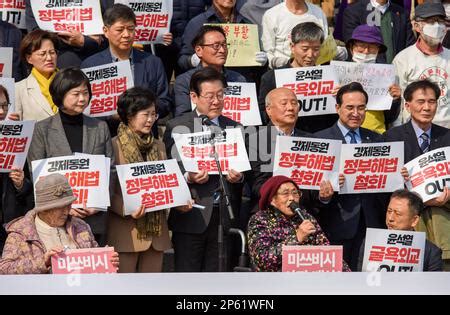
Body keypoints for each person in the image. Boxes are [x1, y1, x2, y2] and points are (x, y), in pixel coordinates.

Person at [163, 67, 244, 272]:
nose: (216, 101)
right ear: (194, 96)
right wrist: (188, 176)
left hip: (224, 216)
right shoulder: (176, 126)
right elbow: (169, 170)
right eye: (209, 96)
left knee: (218, 280)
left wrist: (239, 177)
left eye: (220, 94)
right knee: (187, 278)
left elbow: (245, 173)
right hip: (192, 214)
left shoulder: (235, 127)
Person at [27, 67, 113, 246]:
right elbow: (37, 173)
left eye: (85, 93)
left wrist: (98, 204)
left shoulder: (100, 127)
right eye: (75, 94)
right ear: (60, 95)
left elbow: (110, 169)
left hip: (93, 217)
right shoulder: (42, 129)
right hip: (54, 219)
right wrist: (66, 206)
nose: (82, 98)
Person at [314, 82, 389, 271]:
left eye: (361, 108)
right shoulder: (319, 139)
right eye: (350, 107)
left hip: (372, 225)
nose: (356, 113)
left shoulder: (378, 139)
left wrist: (397, 174)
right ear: (337, 108)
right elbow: (308, 187)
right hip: (336, 224)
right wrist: (323, 196)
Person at [384, 79, 450, 271]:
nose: (427, 107)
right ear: (407, 105)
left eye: (432, 102)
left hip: (442, 221)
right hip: (407, 224)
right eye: (421, 102)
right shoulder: (392, 137)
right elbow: (383, 185)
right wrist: (397, 178)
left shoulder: (447, 137)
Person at [107, 87, 172, 273]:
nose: (151, 119)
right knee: (124, 290)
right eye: (145, 114)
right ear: (129, 116)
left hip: (156, 234)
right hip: (125, 231)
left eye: (154, 114)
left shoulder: (159, 146)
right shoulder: (112, 146)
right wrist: (127, 208)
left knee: (152, 289)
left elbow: (165, 182)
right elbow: (106, 189)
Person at [0, 174, 119, 274]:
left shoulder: (81, 227)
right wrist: (43, 262)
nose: (67, 211)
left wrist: (106, 260)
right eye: (60, 208)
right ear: (44, 209)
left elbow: (94, 261)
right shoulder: (21, 233)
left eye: (69, 205)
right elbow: (4, 269)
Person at [81, 3, 172, 130]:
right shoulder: (90, 65)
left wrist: (142, 111)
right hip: (106, 134)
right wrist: (111, 116)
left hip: (145, 136)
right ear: (106, 31)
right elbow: (85, 107)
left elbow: (165, 102)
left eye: (131, 29)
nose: (126, 35)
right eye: (120, 30)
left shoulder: (153, 62)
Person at [247, 175, 351, 271]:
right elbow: (262, 260)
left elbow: (327, 252)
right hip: (275, 282)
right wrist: (297, 238)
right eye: (285, 193)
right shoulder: (259, 220)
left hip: (310, 279)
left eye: (295, 193)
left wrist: (346, 274)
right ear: (272, 199)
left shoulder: (305, 217)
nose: (292, 198)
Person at [258, 22, 338, 132]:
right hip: (285, 138)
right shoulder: (272, 77)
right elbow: (263, 115)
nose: (310, 55)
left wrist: (341, 98)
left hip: (321, 138)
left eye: (316, 49)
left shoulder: (330, 76)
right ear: (292, 47)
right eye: (305, 49)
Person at [393, 1, 450, 128]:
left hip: (447, 130)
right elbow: (399, 100)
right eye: (430, 21)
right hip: (414, 130)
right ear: (416, 26)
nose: (437, 26)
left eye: (440, 21)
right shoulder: (403, 59)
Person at [357, 189, 443, 271]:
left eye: (397, 214)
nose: (390, 218)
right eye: (389, 211)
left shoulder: (431, 252)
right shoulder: (370, 243)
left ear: (414, 220)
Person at [174, 25, 246, 116]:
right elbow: (183, 117)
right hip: (198, 129)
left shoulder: (239, 79)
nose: (222, 50)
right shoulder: (185, 81)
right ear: (199, 50)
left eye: (224, 45)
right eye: (216, 46)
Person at [345, 24, 401, 134]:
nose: (366, 51)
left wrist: (395, 100)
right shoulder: (339, 74)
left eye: (372, 47)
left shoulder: (386, 76)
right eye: (361, 45)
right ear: (352, 48)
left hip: (376, 135)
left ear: (378, 50)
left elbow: (390, 118)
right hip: (345, 135)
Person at [24, 0, 112, 68]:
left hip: (93, 64)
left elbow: (110, 32)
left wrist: (85, 41)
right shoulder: (35, 2)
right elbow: (36, 35)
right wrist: (80, 40)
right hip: (54, 67)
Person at [261, 0, 329, 69]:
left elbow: (325, 46)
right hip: (281, 72)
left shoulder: (318, 13)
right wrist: (280, 63)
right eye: (305, 48)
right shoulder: (272, 15)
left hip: (313, 72)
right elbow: (268, 50)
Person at [342, 0, 415, 64]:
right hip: (366, 70)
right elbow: (352, 45)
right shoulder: (354, 11)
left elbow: (409, 45)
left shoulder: (402, 13)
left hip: (396, 72)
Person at [15, 30, 59, 121]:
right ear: (29, 58)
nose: (49, 58)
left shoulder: (71, 83)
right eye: (42, 54)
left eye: (52, 52)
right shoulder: (19, 89)